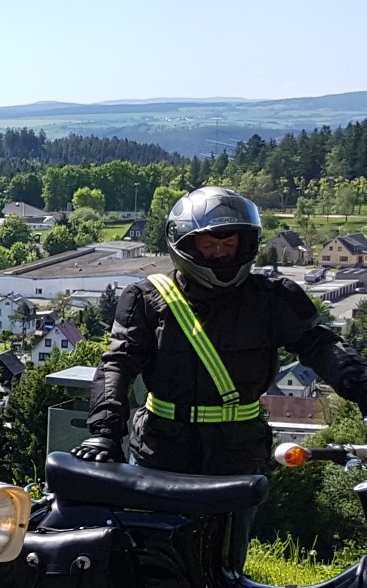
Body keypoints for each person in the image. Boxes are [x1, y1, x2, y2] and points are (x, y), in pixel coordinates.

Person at [76, 186, 367, 476]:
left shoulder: (274, 297)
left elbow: (321, 344)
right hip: (160, 451)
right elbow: (118, 364)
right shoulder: (146, 297)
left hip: (239, 455)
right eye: (209, 246)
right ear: (185, 245)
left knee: (234, 523)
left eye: (229, 246)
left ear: (246, 244)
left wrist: (360, 385)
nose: (221, 255)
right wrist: (105, 432)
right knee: (146, 523)